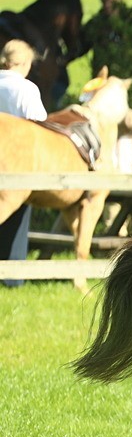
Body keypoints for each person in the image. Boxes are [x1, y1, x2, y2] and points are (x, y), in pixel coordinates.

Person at [0, 39, 48, 288]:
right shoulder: (26, 89)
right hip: (17, 159)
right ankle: (13, 277)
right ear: (26, 63)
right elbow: (39, 125)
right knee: (17, 215)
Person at [81, 0, 125, 77]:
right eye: (104, 0)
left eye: (111, 0)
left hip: (123, 73)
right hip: (101, 74)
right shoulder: (96, 22)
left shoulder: (129, 20)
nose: (107, 4)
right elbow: (82, 43)